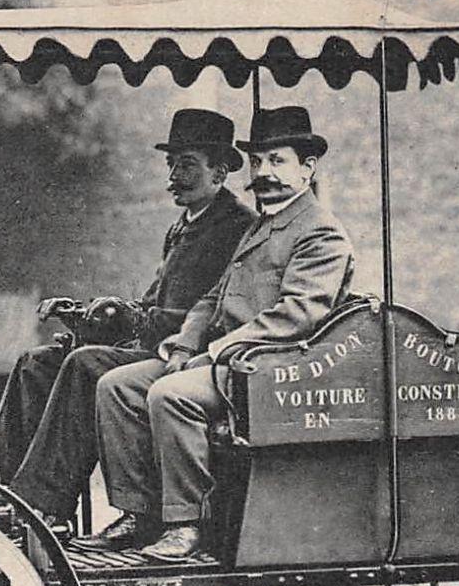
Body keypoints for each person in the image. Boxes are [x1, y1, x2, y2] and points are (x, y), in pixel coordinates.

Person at [86, 106, 355, 560]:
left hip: (270, 366)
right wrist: (182, 343)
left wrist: (216, 351)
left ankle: (186, 524)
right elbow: (214, 297)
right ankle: (138, 512)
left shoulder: (319, 232)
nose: (264, 172)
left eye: (278, 161)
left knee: (170, 395)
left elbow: (298, 314)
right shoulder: (262, 225)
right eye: (258, 162)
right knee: (117, 386)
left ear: (307, 168)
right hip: (228, 361)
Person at [0, 109, 255, 520]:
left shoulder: (237, 227)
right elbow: (152, 302)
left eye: (187, 165)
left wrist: (127, 316)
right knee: (37, 363)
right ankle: (0, 488)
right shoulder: (185, 225)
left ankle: (40, 505)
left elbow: (205, 313)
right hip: (151, 342)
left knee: (85, 365)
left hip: (187, 355)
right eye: (171, 165)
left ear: (220, 172)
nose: (173, 177)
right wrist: (93, 315)